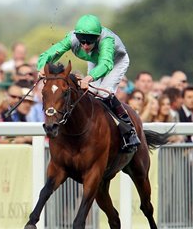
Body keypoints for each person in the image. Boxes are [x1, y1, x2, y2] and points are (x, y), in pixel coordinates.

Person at [37, 14, 141, 152]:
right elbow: (49, 54)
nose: (85, 46)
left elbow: (105, 64)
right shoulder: (72, 38)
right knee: (91, 93)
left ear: (97, 38)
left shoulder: (107, 40)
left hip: (115, 62)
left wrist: (88, 78)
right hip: (95, 60)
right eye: (82, 41)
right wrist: (41, 67)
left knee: (104, 92)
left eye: (89, 42)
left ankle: (129, 131)